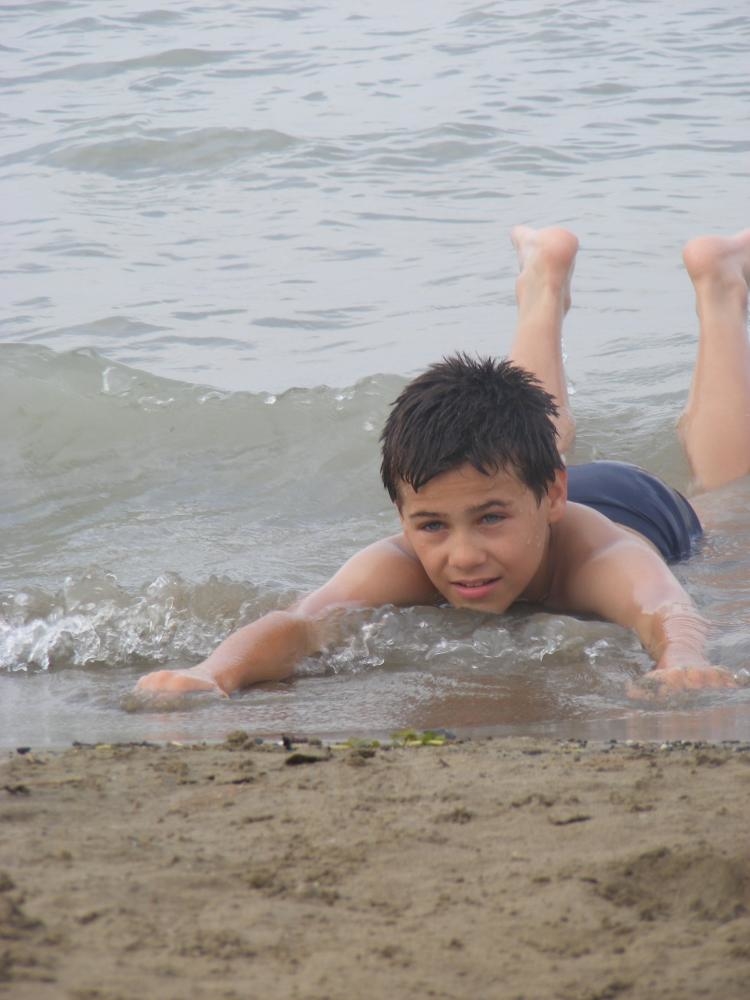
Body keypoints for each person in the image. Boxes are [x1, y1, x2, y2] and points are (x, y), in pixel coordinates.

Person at [136, 225, 750, 699]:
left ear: (555, 498)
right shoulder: (404, 561)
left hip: (641, 509)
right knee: (518, 442)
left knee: (724, 495)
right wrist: (213, 673)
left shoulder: (600, 558)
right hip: (524, 489)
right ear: (402, 517)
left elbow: (666, 610)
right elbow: (298, 624)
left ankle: (719, 284)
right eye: (431, 525)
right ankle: (542, 279)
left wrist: (684, 661)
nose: (462, 556)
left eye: (489, 521)